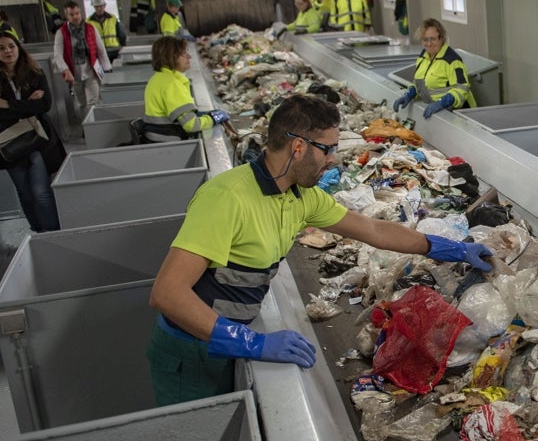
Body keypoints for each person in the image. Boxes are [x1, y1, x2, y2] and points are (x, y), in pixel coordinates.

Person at [147, 94, 493, 404]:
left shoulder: (300, 196)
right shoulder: (227, 198)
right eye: (327, 149)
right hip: (188, 353)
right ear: (298, 146)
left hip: (225, 343)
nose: (332, 159)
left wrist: (445, 247)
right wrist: (251, 342)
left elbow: (372, 229)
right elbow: (167, 293)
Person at [0, 34, 64, 233]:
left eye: (11, 46)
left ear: (19, 48)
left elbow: (44, 105)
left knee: (41, 192)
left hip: (36, 139)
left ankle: (53, 234)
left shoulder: (35, 73)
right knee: (25, 194)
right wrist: (29, 104)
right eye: (2, 48)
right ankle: (38, 231)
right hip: (10, 143)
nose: (8, 51)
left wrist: (9, 104)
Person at [142, 36, 229, 142]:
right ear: (172, 57)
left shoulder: (159, 77)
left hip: (155, 137)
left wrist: (205, 114)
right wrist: (214, 118)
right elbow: (192, 125)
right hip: (169, 142)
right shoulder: (172, 84)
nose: (189, 56)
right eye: (184, 54)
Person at [392, 18, 477, 119]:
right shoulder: (423, 56)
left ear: (441, 38)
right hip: (437, 112)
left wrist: (443, 102)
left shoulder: (452, 60)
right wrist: (409, 93)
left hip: (458, 114)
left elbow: (462, 88)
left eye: (433, 39)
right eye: (425, 39)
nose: (429, 43)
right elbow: (418, 83)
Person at [52, 0, 111, 122]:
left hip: (91, 71)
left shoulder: (90, 29)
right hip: (74, 73)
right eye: (71, 14)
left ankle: (94, 126)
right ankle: (86, 126)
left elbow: (101, 50)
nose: (75, 17)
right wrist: (65, 70)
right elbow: (57, 54)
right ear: (67, 16)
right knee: (81, 103)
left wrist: (107, 69)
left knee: (93, 102)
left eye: (77, 13)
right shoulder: (61, 33)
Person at [88, 0, 128, 65]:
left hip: (114, 51)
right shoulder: (88, 21)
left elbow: (121, 34)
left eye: (101, 6)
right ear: (94, 7)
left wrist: (123, 47)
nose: (99, 8)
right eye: (97, 7)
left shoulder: (113, 18)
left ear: (104, 6)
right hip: (99, 52)